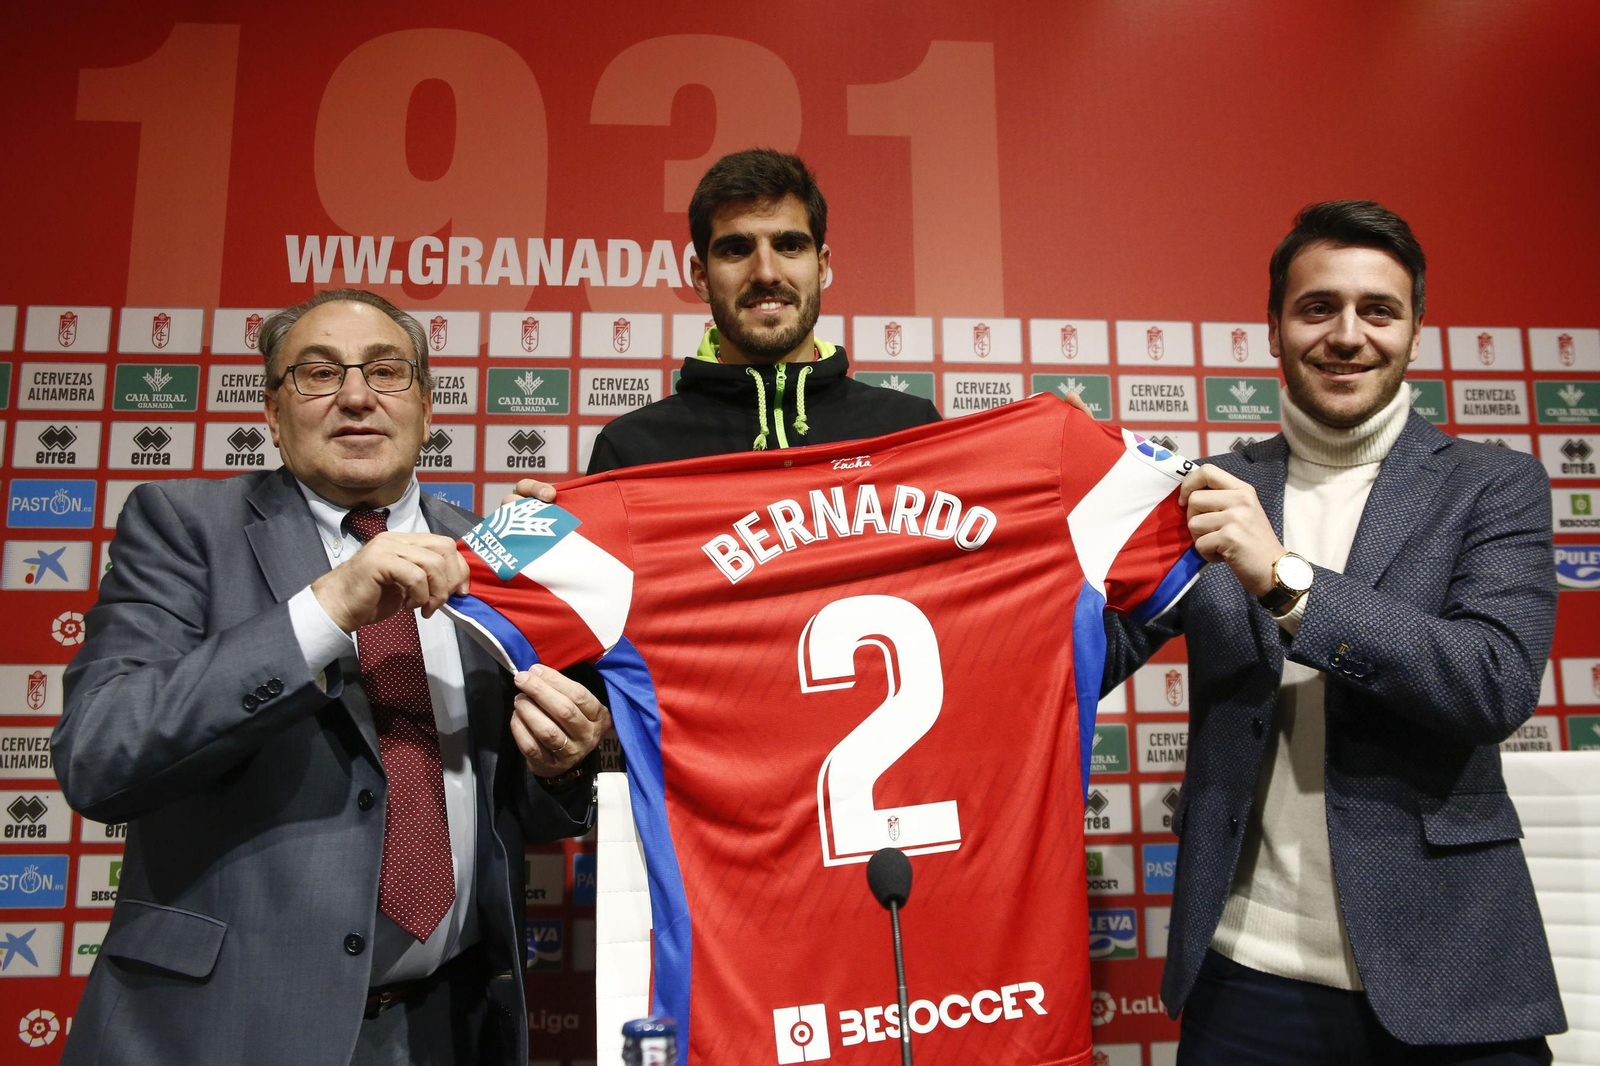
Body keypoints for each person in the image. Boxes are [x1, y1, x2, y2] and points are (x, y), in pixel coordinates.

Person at [52, 289, 608, 1066]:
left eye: (385, 371)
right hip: (225, 1029)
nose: (355, 395)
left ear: (424, 401)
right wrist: (322, 611)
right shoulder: (180, 527)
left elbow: (502, 806)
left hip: (446, 1023)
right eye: (316, 374)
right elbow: (100, 756)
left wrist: (561, 764)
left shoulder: (490, 553)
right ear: (273, 412)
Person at [1102, 201, 1564, 1064]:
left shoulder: (1494, 486)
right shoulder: (1211, 493)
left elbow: (1491, 681)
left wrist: (1283, 578)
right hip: (1245, 978)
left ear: (1416, 332)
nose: (1347, 335)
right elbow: (1085, 662)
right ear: (1274, 330)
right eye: (1318, 308)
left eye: (1377, 311)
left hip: (1452, 977)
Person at [584, 147, 939, 473]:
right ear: (701, 277)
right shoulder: (632, 451)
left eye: (789, 246)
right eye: (737, 250)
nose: (766, 273)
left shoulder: (911, 430)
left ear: (821, 267)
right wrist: (532, 537)